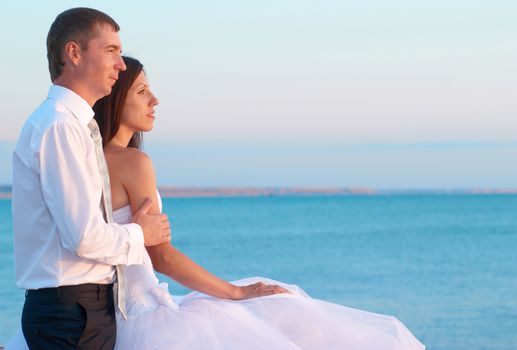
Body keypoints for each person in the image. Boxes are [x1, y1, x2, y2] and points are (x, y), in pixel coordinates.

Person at [99, 56, 426, 349]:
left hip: (113, 316)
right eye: (142, 92)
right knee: (286, 309)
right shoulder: (134, 162)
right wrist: (236, 292)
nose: (155, 100)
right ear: (114, 98)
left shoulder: (92, 160)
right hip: (145, 315)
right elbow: (162, 256)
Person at [10, 8, 171, 350]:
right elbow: (83, 237)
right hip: (71, 313)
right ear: (74, 53)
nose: (121, 64)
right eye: (111, 50)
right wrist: (142, 233)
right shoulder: (61, 127)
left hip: (79, 310)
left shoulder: (75, 125)